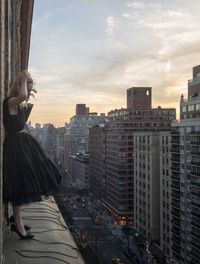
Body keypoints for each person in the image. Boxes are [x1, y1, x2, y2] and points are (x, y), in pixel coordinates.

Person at [3, 70, 62, 239]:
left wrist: (26, 87)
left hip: (23, 144)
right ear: (19, 87)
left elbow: (23, 102)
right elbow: (21, 96)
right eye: (26, 89)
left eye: (30, 90)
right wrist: (23, 81)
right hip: (15, 146)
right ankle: (18, 223)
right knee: (20, 182)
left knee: (31, 176)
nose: (28, 94)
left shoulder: (19, 105)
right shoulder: (11, 101)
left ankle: (17, 218)